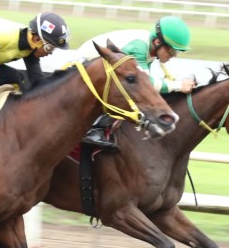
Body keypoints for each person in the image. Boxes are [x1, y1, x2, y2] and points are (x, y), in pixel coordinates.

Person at [78, 16, 195, 150]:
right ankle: (94, 129)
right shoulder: (139, 48)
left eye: (178, 51)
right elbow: (146, 85)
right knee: (127, 91)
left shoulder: (149, 48)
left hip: (98, 68)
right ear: (157, 42)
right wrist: (178, 86)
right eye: (172, 50)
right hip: (83, 67)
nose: (174, 55)